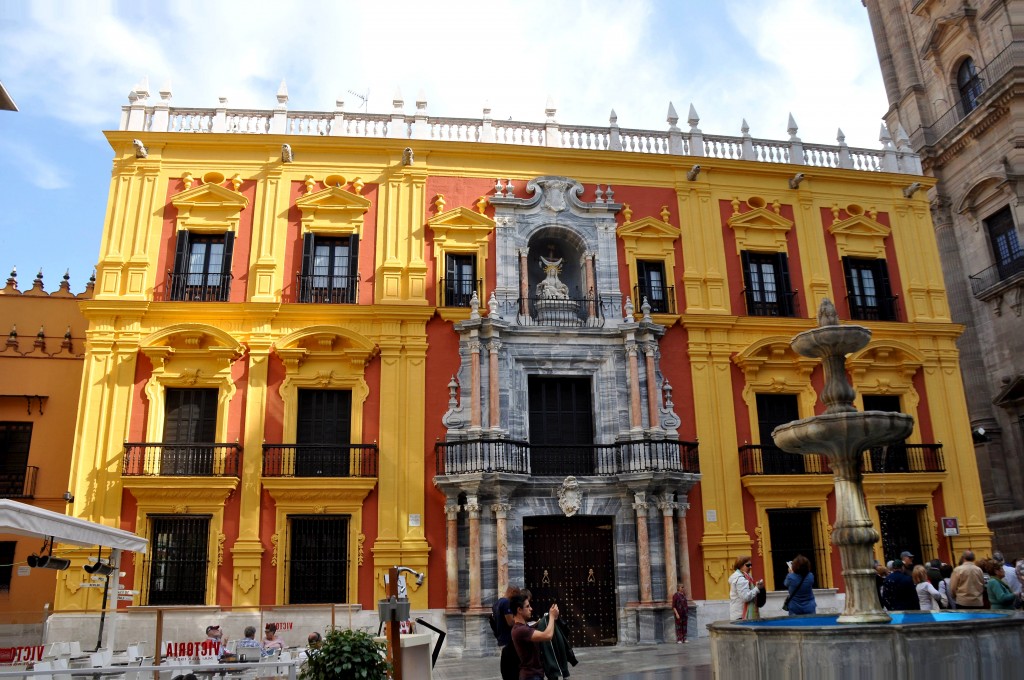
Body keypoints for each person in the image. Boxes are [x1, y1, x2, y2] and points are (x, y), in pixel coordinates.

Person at [509, 593, 560, 680]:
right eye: (528, 606)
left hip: (534, 674)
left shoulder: (523, 627)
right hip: (531, 676)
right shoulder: (520, 630)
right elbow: (547, 635)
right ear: (519, 610)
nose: (531, 609)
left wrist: (552, 619)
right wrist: (551, 616)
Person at [493, 585, 521, 680]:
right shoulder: (506, 603)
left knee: (507, 667)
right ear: (512, 592)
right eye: (517, 595)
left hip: (501, 639)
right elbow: (510, 622)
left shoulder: (497, 603)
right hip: (508, 640)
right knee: (513, 669)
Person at [727, 556, 763, 621]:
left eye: (751, 565)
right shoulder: (741, 579)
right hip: (742, 615)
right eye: (748, 565)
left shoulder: (746, 577)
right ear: (740, 565)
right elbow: (745, 597)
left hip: (739, 614)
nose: (750, 567)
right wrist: (757, 588)